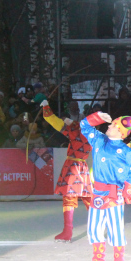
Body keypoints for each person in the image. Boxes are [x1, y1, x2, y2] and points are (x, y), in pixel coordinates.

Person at [79, 110, 131, 261]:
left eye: (113, 125)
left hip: (114, 195)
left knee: (115, 230)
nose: (109, 126)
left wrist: (128, 188)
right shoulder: (99, 140)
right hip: (97, 194)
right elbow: (84, 126)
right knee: (94, 229)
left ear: (121, 132)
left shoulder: (127, 152)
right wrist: (97, 118)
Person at [41, 100, 93, 242]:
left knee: (70, 198)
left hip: (72, 167)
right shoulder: (93, 136)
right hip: (83, 168)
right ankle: (98, 229)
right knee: (88, 198)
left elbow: (53, 120)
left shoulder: (75, 133)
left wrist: (46, 107)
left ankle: (68, 231)